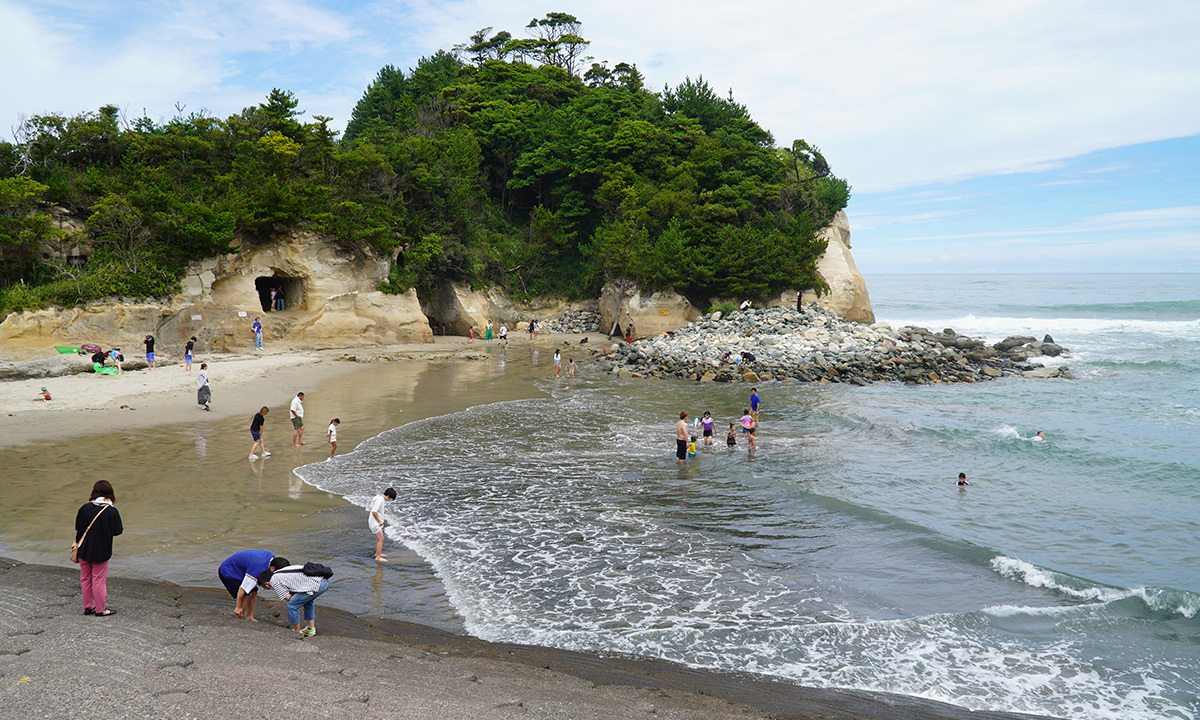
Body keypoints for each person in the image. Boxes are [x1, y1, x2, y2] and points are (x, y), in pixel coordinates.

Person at [75, 479, 123, 617]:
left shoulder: (84, 508)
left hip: (83, 549)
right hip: (101, 551)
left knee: (85, 578)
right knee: (98, 579)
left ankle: (88, 606)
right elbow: (118, 531)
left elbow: (78, 528)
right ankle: (100, 609)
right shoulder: (111, 511)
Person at [257, 558, 330, 636]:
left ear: (266, 583)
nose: (267, 589)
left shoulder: (273, 580)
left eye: (264, 587)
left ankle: (296, 632)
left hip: (317, 585)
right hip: (324, 580)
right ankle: (310, 628)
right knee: (308, 601)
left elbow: (288, 598)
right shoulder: (281, 571)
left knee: (291, 605)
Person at [218, 549, 276, 622]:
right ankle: (240, 617)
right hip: (229, 571)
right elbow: (242, 589)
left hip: (241, 569)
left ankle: (249, 616)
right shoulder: (257, 568)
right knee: (246, 594)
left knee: (254, 591)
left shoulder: (271, 557)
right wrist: (238, 607)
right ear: (273, 567)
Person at [369, 488, 396, 562]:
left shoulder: (377, 497)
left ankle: (378, 553)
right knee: (381, 539)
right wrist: (379, 521)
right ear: (388, 496)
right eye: (390, 499)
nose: (389, 500)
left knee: (379, 539)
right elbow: (374, 512)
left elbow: (371, 507)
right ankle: (378, 557)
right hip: (375, 523)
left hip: (373, 521)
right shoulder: (380, 500)